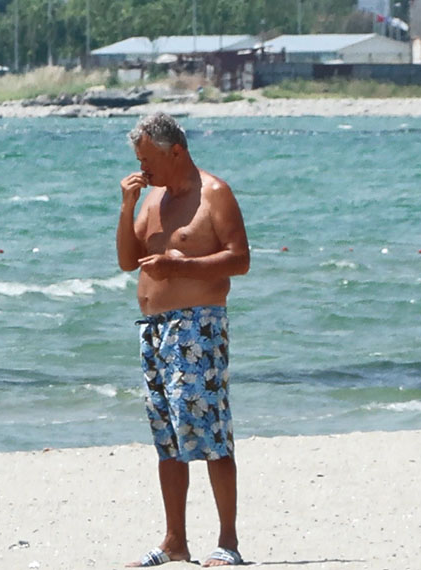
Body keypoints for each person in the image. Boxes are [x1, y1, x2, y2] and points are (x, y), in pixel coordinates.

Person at [115, 112, 249, 568]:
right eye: (138, 160)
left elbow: (240, 259)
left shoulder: (214, 194)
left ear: (177, 152)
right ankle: (175, 541)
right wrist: (127, 206)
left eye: (148, 160)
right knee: (168, 438)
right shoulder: (152, 198)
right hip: (153, 331)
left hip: (199, 326)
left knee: (210, 433)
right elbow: (127, 261)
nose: (143, 168)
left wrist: (180, 268)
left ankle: (227, 541)